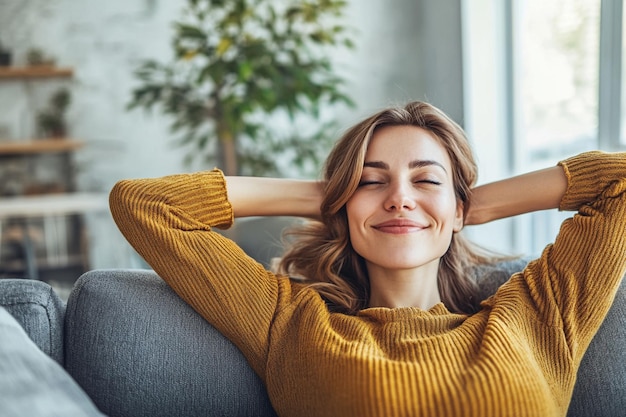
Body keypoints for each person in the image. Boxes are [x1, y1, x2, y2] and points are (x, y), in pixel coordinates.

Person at [109, 101, 626, 417]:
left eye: (425, 180)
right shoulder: (290, 324)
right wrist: (331, 195)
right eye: (371, 181)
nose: (399, 198)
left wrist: (471, 204)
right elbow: (145, 204)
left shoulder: (538, 315)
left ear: (459, 206)